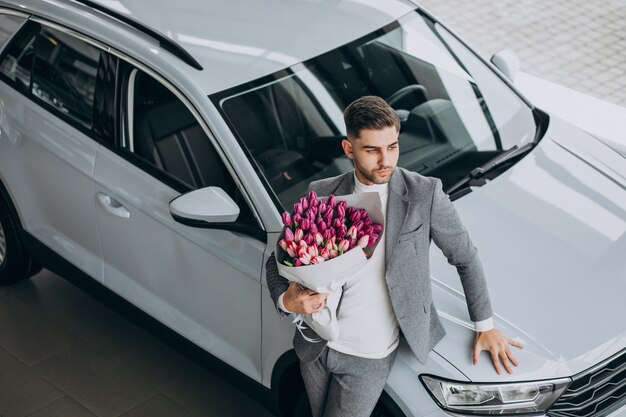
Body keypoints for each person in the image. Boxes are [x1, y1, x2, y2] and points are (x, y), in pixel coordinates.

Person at [266, 96, 523, 417]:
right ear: (349, 150)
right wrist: (286, 301)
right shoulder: (322, 192)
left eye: (392, 146)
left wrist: (484, 325)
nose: (385, 159)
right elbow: (277, 260)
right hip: (315, 348)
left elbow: (465, 257)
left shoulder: (424, 194)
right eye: (372, 150)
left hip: (368, 356)